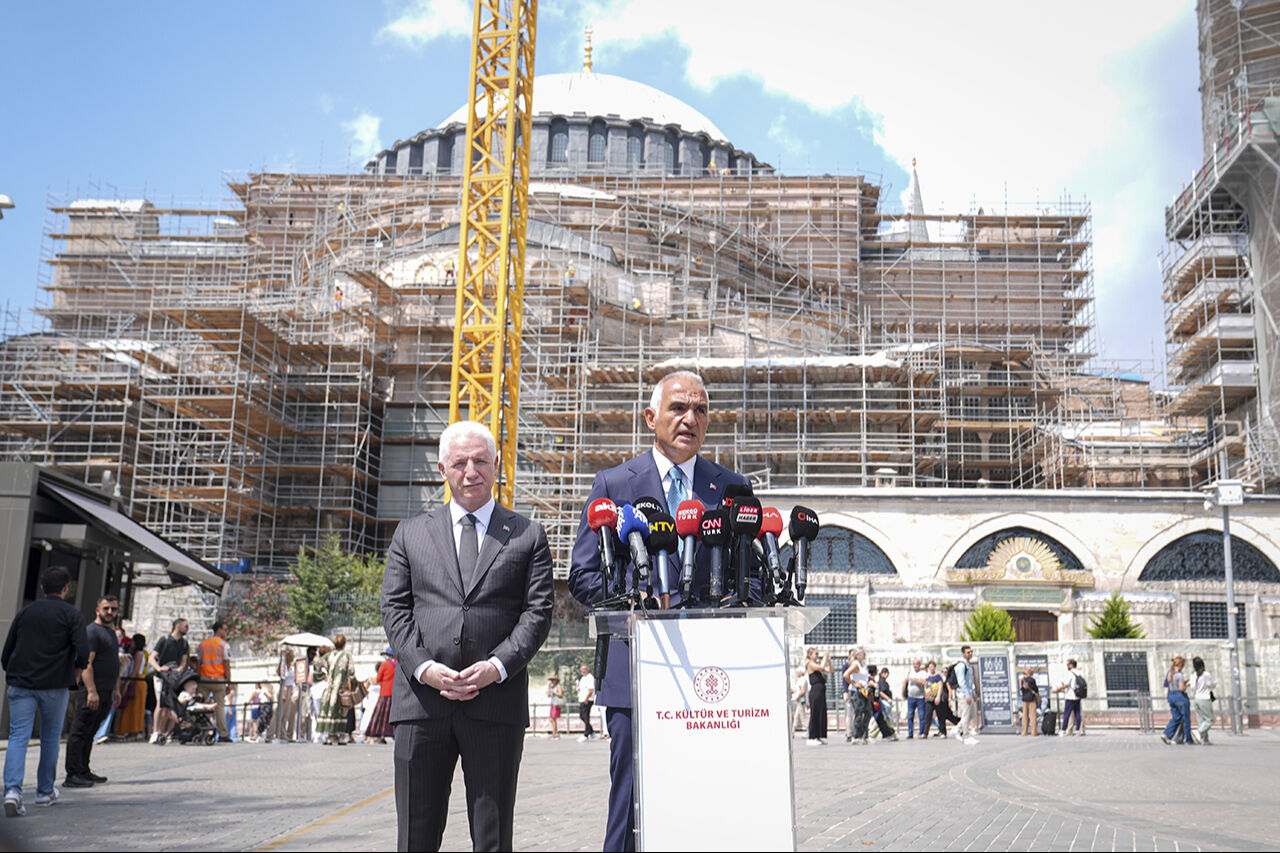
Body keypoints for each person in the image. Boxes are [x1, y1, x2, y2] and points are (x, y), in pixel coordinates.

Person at [567, 370, 749, 853]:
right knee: (630, 797)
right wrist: (639, 600)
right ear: (651, 418)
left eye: (701, 410)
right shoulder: (613, 483)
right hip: (634, 668)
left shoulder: (731, 488)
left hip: (711, 674)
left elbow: (750, 576)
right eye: (678, 408)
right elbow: (584, 576)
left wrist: (729, 600)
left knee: (705, 795)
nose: (690, 418)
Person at [381, 419, 554, 852]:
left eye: (480, 461)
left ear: (497, 465)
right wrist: (423, 668)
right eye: (460, 462)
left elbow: (538, 613)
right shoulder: (410, 534)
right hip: (422, 706)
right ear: (442, 469)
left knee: (493, 839)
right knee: (414, 839)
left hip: (495, 705)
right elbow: (395, 610)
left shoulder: (528, 535)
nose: (471, 471)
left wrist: (497, 667)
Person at [2, 568, 89, 816]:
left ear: (41, 588)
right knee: (50, 738)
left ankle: (13, 791)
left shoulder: (25, 613)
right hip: (54, 685)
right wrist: (74, 671)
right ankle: (44, 792)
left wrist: (13, 671)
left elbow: (7, 652)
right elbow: (83, 651)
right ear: (66, 589)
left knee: (18, 736)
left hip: (22, 683)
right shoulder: (72, 614)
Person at [65, 596, 122, 788]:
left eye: (113, 609)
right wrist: (91, 691)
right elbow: (86, 663)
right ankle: (72, 774)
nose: (110, 613)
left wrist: (116, 689)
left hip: (106, 690)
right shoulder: (92, 632)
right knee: (80, 731)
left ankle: (83, 770)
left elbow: (115, 663)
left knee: (90, 732)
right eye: (106, 609)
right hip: (91, 691)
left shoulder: (111, 633)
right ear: (97, 610)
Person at [148, 618, 189, 744]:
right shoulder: (164, 640)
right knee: (161, 703)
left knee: (167, 706)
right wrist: (159, 669)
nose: (187, 628)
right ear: (178, 626)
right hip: (161, 677)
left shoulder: (184, 644)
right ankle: (155, 731)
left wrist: (179, 670)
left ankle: (162, 732)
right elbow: (152, 658)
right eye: (185, 626)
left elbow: (183, 661)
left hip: (173, 677)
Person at [315, 635, 355, 746]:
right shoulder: (347, 656)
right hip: (341, 689)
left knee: (330, 711)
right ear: (344, 644)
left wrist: (323, 677)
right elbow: (351, 673)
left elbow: (317, 667)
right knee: (341, 712)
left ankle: (329, 736)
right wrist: (352, 685)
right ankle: (341, 736)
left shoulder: (328, 656)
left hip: (330, 689)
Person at [198, 621, 232, 743]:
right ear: (219, 630)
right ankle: (223, 734)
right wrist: (229, 681)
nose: (226, 632)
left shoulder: (203, 644)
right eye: (225, 629)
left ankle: (202, 730)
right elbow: (227, 665)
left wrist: (198, 677)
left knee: (201, 705)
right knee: (220, 707)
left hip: (204, 678)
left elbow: (199, 662)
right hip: (218, 679)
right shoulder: (224, 645)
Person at [365, 648, 397, 744]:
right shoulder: (398, 664)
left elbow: (378, 679)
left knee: (381, 716)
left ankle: (380, 735)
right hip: (395, 694)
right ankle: (394, 733)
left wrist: (370, 680)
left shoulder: (384, 665)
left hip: (385, 693)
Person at [1161, 656, 1193, 746]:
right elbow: (1181, 688)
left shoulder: (1169, 673)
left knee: (1176, 717)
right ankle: (1188, 739)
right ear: (1181, 665)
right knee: (1186, 718)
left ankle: (1167, 733)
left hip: (1171, 696)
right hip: (1180, 697)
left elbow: (1170, 685)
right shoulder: (1179, 675)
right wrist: (1187, 684)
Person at [269, 648, 298, 742]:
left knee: (285, 713)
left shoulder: (291, 667)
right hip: (285, 688)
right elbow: (283, 677)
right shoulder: (284, 666)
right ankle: (271, 733)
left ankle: (282, 733)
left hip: (290, 688)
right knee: (279, 712)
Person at [843, 648, 871, 745]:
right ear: (858, 655)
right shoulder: (855, 664)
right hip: (856, 692)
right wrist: (854, 684)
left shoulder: (863, 664)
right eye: (863, 653)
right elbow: (846, 675)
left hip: (865, 691)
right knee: (858, 713)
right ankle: (855, 736)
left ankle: (864, 735)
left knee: (868, 712)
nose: (865, 655)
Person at [805, 648, 832, 745]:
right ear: (810, 655)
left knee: (821, 713)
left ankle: (818, 735)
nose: (817, 655)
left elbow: (830, 670)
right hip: (815, 691)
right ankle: (811, 737)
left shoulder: (817, 665)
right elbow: (821, 667)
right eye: (816, 654)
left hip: (821, 691)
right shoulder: (810, 664)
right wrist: (825, 657)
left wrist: (829, 661)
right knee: (815, 713)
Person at [953, 645, 978, 745]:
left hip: (970, 693)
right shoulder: (961, 665)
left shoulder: (969, 666)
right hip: (964, 694)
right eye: (968, 652)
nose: (970, 654)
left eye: (971, 652)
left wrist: (973, 693)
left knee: (972, 714)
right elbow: (962, 682)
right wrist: (967, 695)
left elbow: (970, 681)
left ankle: (957, 728)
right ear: (963, 654)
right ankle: (966, 736)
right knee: (966, 716)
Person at [1053, 659, 1084, 736]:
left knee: (1067, 713)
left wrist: (1057, 689)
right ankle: (1077, 730)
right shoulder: (1079, 672)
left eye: (1068, 664)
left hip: (1070, 696)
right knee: (1077, 713)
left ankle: (1063, 730)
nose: (1067, 666)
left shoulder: (1069, 673)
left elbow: (1066, 684)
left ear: (1071, 665)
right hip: (1077, 696)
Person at [1190, 657, 1217, 745]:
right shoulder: (1206, 675)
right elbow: (1211, 685)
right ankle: (1199, 731)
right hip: (1204, 698)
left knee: (1201, 720)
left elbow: (1192, 688)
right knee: (1209, 720)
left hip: (1196, 698)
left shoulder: (1193, 675)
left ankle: (1204, 739)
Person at [903, 659, 928, 739]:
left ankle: (921, 732)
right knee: (910, 716)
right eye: (914, 664)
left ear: (919, 664)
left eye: (916, 664)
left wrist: (914, 679)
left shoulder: (923, 673)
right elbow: (905, 682)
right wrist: (903, 691)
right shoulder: (910, 672)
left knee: (921, 716)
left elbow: (924, 682)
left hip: (920, 697)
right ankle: (910, 733)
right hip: (911, 697)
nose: (915, 665)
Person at [872, 665, 897, 741]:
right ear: (882, 673)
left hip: (885, 702)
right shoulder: (881, 681)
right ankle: (871, 734)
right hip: (884, 702)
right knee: (883, 719)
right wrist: (888, 699)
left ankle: (891, 734)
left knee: (887, 719)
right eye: (885, 673)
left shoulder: (883, 681)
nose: (887, 674)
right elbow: (880, 692)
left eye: (887, 673)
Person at [923, 660, 946, 738]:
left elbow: (940, 686)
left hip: (936, 698)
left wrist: (938, 696)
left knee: (940, 715)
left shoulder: (938, 676)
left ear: (935, 667)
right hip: (929, 699)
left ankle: (943, 732)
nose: (931, 668)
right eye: (929, 667)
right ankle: (925, 733)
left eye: (932, 666)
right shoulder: (928, 676)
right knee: (928, 715)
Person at [576, 664, 596, 741]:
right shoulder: (583, 678)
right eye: (582, 669)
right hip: (582, 699)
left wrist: (587, 699)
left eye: (584, 669)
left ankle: (586, 734)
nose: (583, 671)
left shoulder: (590, 678)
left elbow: (591, 689)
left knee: (586, 716)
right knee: (582, 716)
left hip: (587, 700)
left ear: (588, 669)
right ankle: (591, 731)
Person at [1019, 665, 1040, 736]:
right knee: (1032, 715)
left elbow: (1021, 689)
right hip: (1031, 699)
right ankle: (1034, 731)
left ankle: (1024, 731)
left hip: (1024, 698)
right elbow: (1036, 689)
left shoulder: (1022, 680)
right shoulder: (1032, 680)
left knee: (1025, 715)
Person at [791, 668, 808, 735]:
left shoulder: (801, 680)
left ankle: (809, 729)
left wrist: (797, 697)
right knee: (796, 716)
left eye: (797, 672)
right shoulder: (803, 680)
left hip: (801, 701)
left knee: (802, 716)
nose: (796, 674)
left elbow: (802, 691)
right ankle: (793, 731)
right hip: (801, 701)